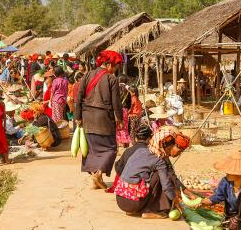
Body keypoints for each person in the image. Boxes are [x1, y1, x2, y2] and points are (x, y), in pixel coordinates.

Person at [115, 127, 190, 219]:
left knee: (156, 176)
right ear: (168, 146)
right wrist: (175, 199)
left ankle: (135, 210)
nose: (179, 153)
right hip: (134, 203)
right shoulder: (159, 161)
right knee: (161, 176)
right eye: (179, 149)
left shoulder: (140, 151)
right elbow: (166, 186)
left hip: (121, 201)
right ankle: (150, 210)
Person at [75, 50, 124, 189]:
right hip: (104, 120)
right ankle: (98, 174)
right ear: (108, 64)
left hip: (87, 118)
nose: (115, 69)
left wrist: (78, 116)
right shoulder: (111, 79)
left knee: (92, 149)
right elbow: (116, 102)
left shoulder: (87, 75)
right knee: (111, 149)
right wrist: (120, 119)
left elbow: (79, 97)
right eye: (115, 66)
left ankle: (96, 178)